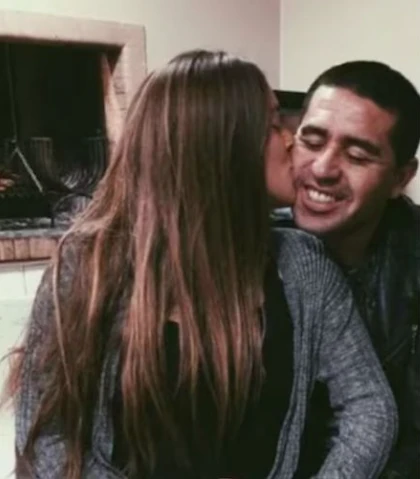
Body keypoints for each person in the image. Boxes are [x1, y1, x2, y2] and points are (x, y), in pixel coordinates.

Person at [6, 51, 396, 479]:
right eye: (272, 125)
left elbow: (370, 409)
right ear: (222, 147)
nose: (291, 141)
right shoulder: (88, 265)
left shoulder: (305, 267)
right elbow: (45, 435)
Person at [272, 60, 420, 478]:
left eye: (357, 155)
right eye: (311, 140)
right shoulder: (254, 244)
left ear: (400, 178)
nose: (322, 169)